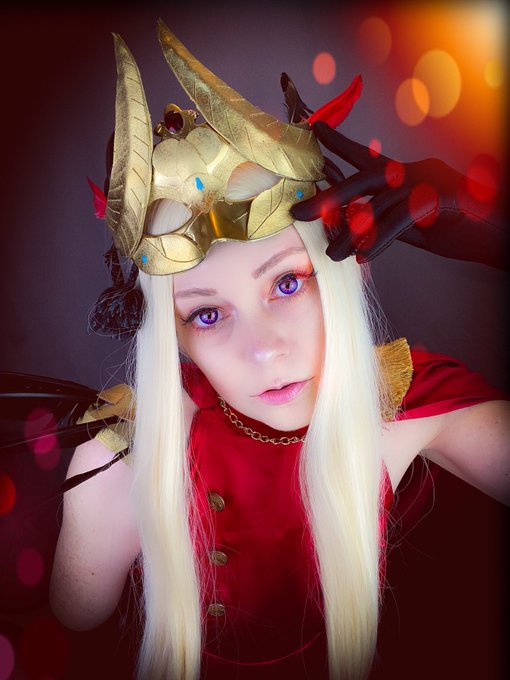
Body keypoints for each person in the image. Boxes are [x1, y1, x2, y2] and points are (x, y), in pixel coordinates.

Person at [40, 20, 508, 680]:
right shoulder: (122, 461)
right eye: (206, 313)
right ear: (173, 337)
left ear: (349, 270)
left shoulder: (405, 404)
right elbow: (74, 628)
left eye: (287, 283)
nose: (263, 351)